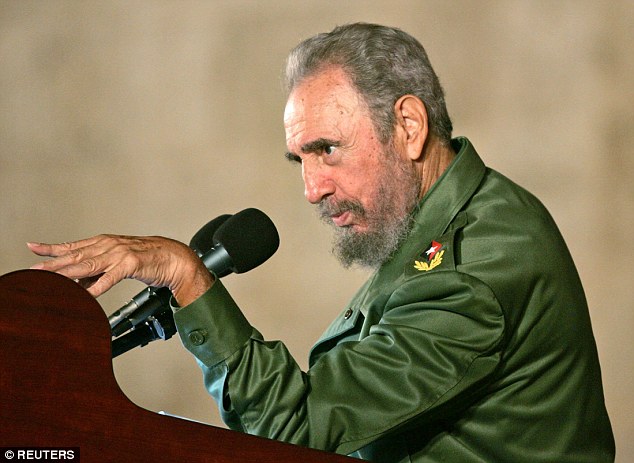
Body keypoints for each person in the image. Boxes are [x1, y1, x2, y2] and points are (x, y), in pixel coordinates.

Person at [29, 23, 615, 462]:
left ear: (408, 127)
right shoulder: (462, 217)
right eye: (300, 159)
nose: (312, 189)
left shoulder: (473, 267)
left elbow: (300, 432)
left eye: (327, 149)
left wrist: (188, 278)